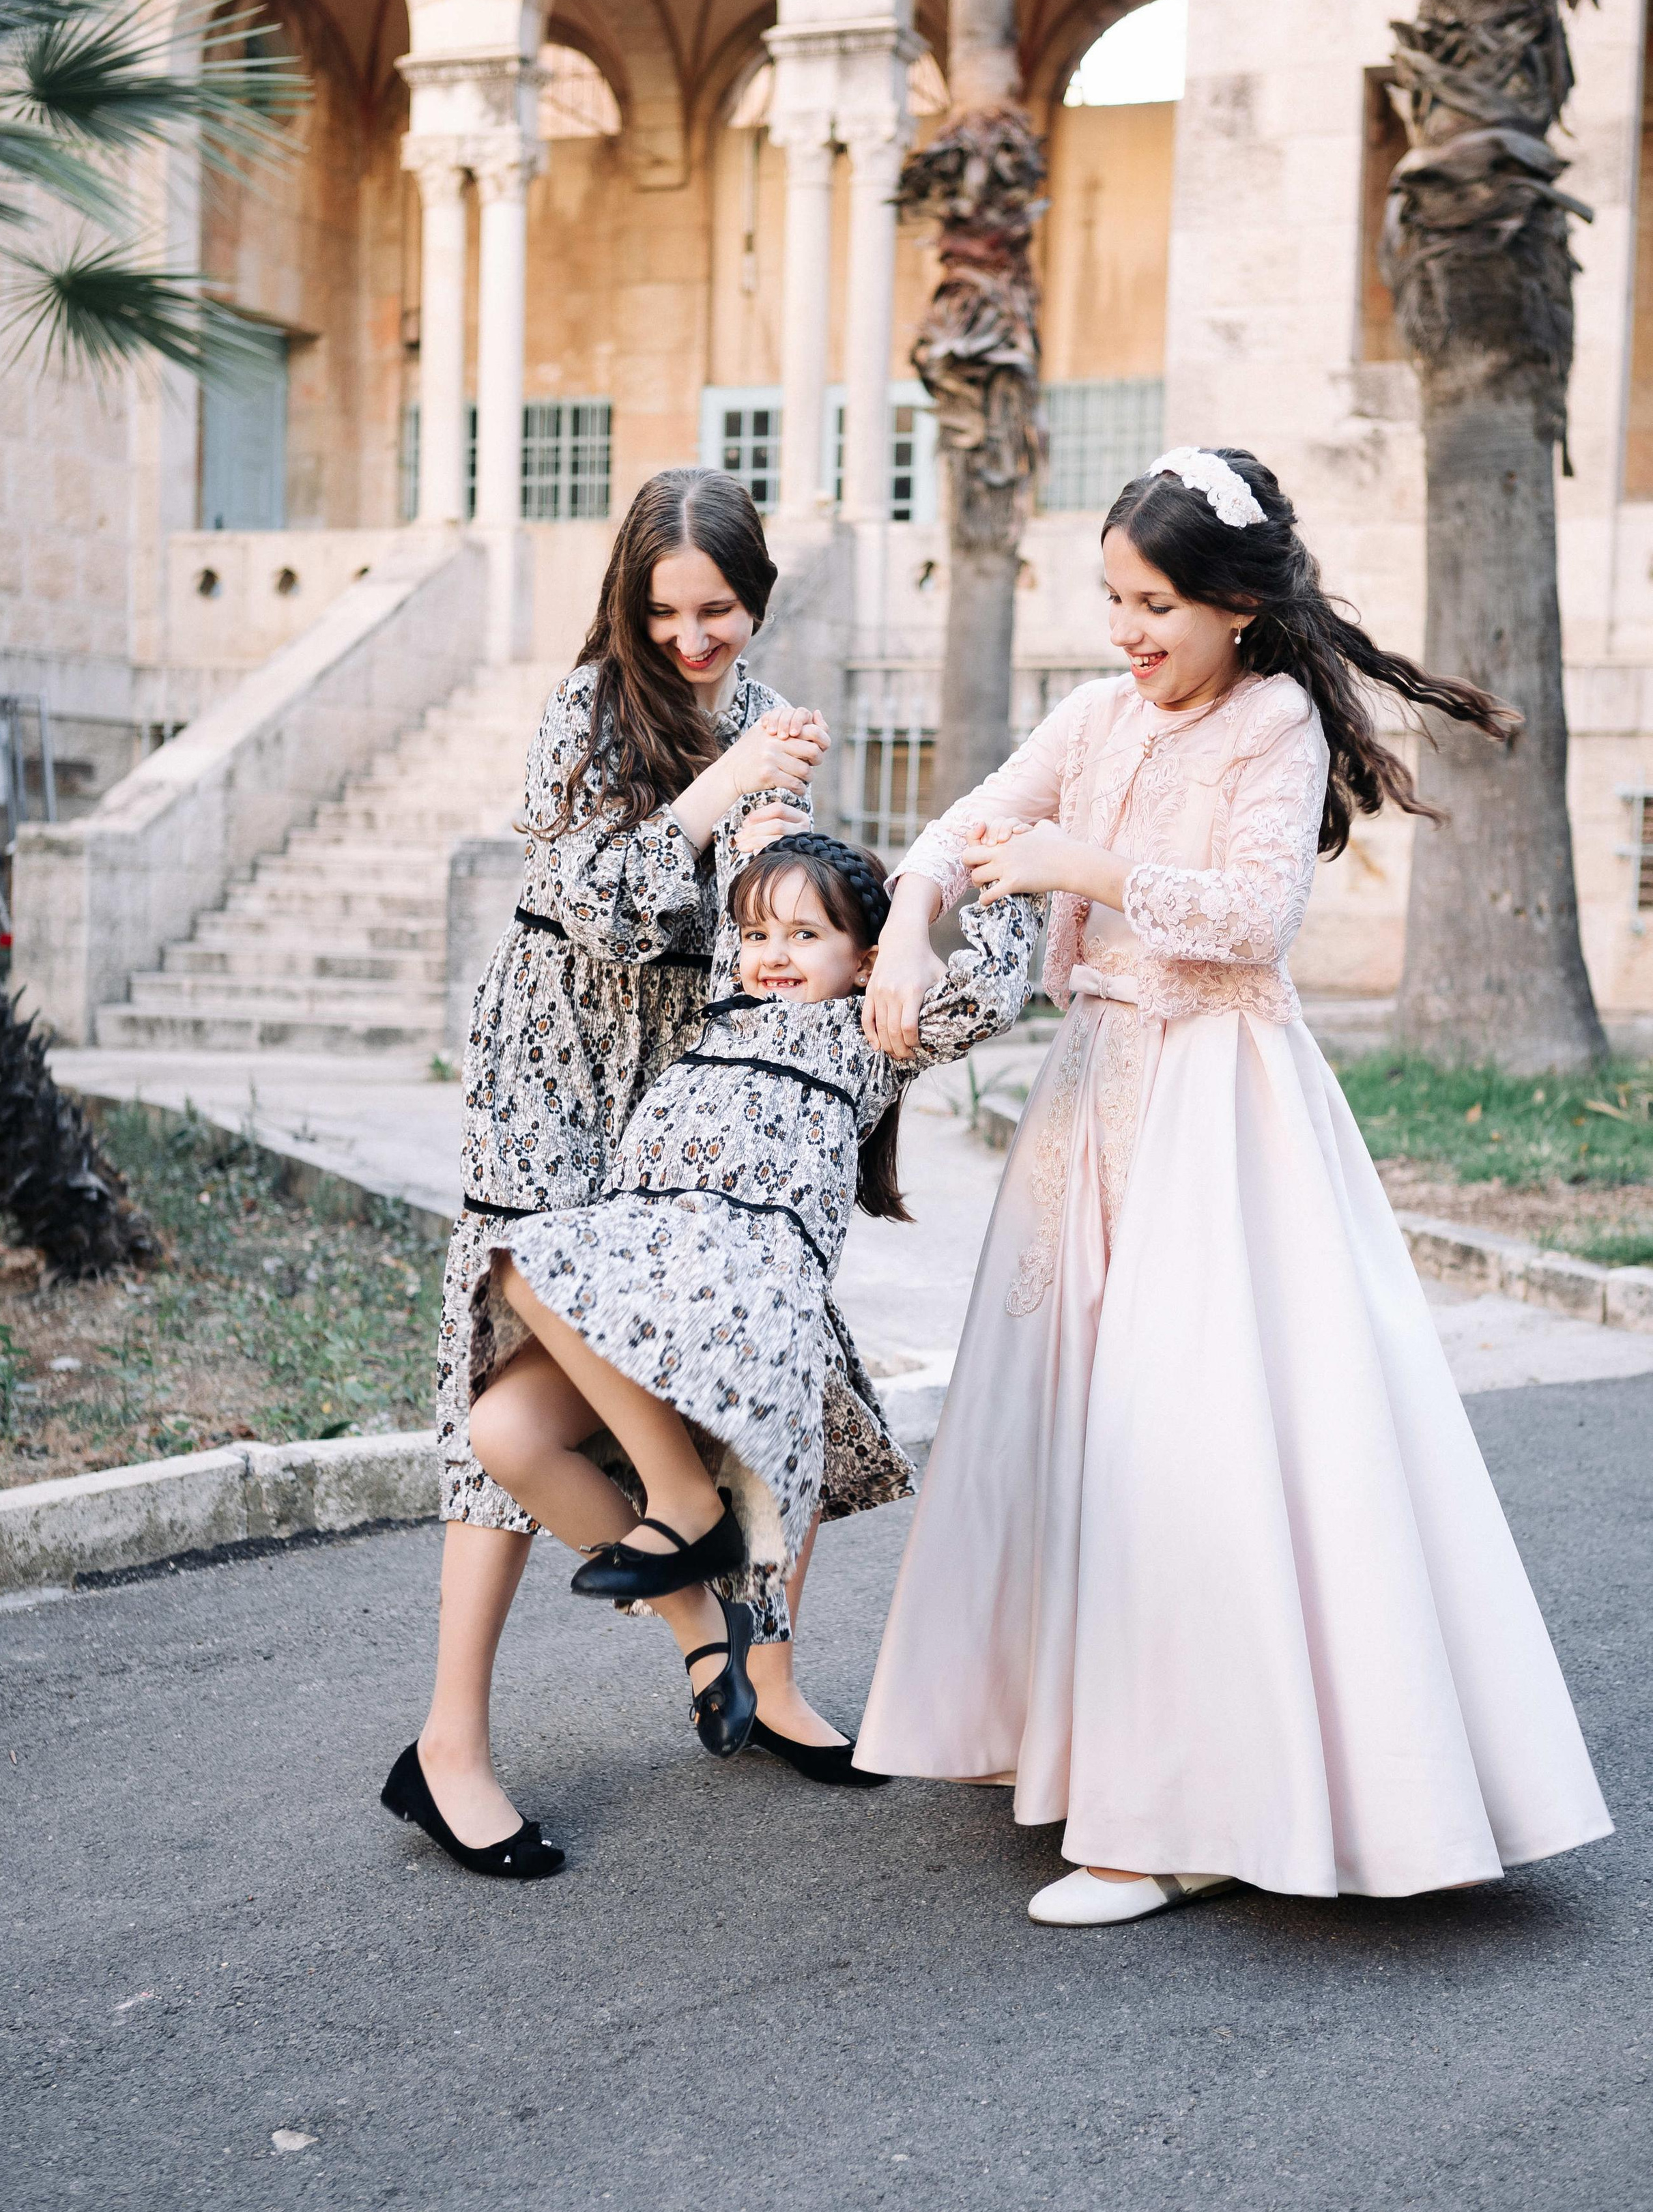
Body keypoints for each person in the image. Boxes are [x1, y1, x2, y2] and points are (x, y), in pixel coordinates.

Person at [854, 446, 1613, 1925]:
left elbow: (1252, 921)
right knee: (1074, 1425)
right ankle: (1063, 1745)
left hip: (1216, 1099)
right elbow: (957, 833)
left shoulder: (1268, 724)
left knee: (1192, 1443)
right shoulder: (1093, 715)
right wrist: (906, 921)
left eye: (1155, 605)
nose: (1128, 632)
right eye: (1115, 601)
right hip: (1094, 1101)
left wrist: (1095, 863)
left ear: (1238, 608)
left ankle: (1174, 1816)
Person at [385, 469, 836, 1879]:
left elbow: (766, 920)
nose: (694, 638)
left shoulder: (768, 721)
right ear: (626, 606)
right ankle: (455, 1742)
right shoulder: (587, 708)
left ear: (755, 595)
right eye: (665, 612)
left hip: (676, 1089)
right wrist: (720, 794)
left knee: (681, 1371)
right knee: (500, 1392)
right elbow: (598, 905)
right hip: (551, 1078)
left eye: (717, 610)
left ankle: (746, 1671)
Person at [455, 831, 1038, 1800]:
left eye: (806, 934)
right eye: (756, 931)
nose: (772, 950)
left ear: (865, 959)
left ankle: (765, 1679)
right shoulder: (712, 1019)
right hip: (649, 1273)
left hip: (749, 1281)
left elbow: (989, 990)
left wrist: (1002, 872)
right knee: (502, 1425)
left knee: (763, 1495)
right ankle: (701, 1636)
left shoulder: (871, 1028)